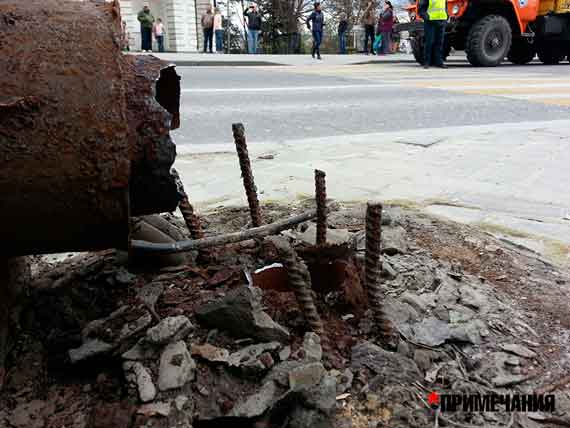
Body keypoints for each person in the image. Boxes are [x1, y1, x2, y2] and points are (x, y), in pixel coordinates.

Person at [419, 0, 448, 68]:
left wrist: (446, 17)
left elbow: (445, 8)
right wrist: (427, 18)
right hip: (430, 22)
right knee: (429, 42)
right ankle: (427, 62)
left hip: (441, 21)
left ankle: (439, 62)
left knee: (439, 42)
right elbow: (421, 10)